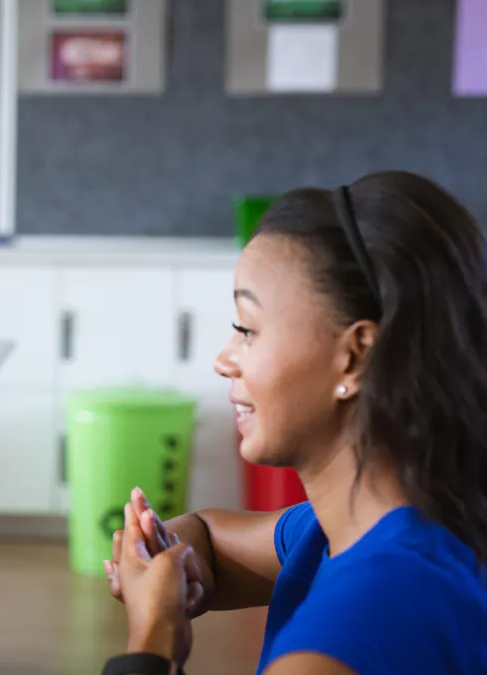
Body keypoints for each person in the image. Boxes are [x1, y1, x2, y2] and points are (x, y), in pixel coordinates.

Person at [104, 171, 487, 674]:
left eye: (247, 330)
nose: (224, 359)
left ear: (354, 357)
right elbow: (213, 543)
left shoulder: (335, 647)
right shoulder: (408, 519)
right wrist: (166, 557)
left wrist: (153, 638)